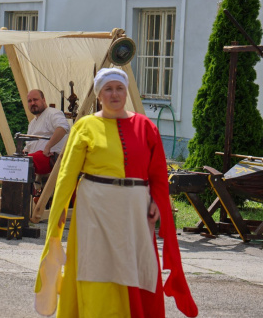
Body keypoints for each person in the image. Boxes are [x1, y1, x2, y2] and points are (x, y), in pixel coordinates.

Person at [34, 68, 197, 317]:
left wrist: (157, 201)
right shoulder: (85, 126)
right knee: (95, 270)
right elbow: (67, 174)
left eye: (119, 88)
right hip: (94, 211)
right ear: (99, 95)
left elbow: (157, 173)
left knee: (137, 270)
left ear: (126, 92)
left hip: (135, 211)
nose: (114, 94)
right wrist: (59, 209)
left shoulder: (145, 127)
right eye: (108, 89)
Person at [23, 89, 70, 187]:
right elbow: (28, 146)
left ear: (43, 100)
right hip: (35, 160)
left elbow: (63, 128)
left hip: (51, 159)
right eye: (30, 101)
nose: (33, 103)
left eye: (35, 100)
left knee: (23, 164)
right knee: (11, 163)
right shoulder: (32, 123)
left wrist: (48, 146)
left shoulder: (53, 113)